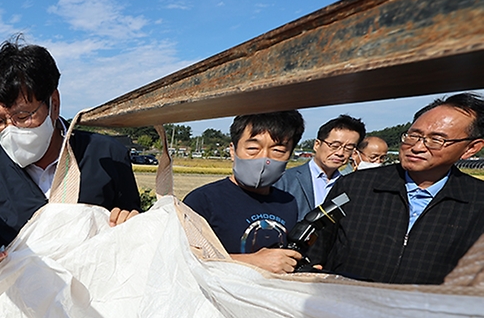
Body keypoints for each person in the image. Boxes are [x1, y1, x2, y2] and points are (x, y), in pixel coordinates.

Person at [0, 39, 141, 268]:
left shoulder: (107, 156)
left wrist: (131, 222)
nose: (11, 129)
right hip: (24, 297)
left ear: (53, 103)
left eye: (23, 117)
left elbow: (134, 224)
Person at [309, 93, 484, 284]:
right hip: (344, 306)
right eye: (413, 136)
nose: (417, 147)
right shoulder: (353, 187)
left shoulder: (477, 202)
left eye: (436, 140)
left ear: (471, 148)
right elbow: (317, 246)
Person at [183, 111, 305, 274]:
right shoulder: (203, 201)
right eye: (253, 148)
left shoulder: (287, 202)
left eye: (278, 151)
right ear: (233, 150)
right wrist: (252, 261)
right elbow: (183, 259)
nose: (264, 159)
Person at [278, 115, 365, 219]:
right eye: (335, 145)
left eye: (348, 148)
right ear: (317, 145)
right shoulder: (285, 180)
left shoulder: (350, 186)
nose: (340, 153)